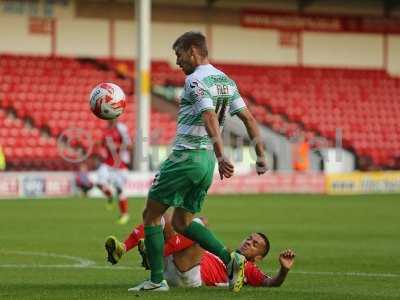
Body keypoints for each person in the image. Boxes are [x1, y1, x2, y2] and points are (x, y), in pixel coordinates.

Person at [129, 31, 268, 292]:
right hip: (205, 165)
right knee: (182, 223)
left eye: (179, 55)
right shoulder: (226, 81)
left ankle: (156, 281)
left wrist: (221, 153)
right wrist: (260, 154)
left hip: (186, 156)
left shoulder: (195, 81)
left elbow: (208, 116)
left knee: (151, 216)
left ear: (193, 51)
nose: (178, 62)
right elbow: (248, 118)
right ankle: (232, 260)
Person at [105, 214, 295, 289]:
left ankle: (155, 253)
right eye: (249, 238)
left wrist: (284, 270)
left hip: (189, 277)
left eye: (255, 244)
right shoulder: (223, 251)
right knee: (164, 216)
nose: (249, 242)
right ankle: (122, 248)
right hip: (174, 264)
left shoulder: (246, 267)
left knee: (198, 227)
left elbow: (270, 283)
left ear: (259, 257)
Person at [95, 119, 132, 224]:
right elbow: (102, 144)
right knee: (99, 183)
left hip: (120, 165)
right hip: (107, 163)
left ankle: (124, 214)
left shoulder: (121, 128)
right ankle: (109, 195)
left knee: (120, 190)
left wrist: (118, 145)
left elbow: (130, 146)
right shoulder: (106, 130)